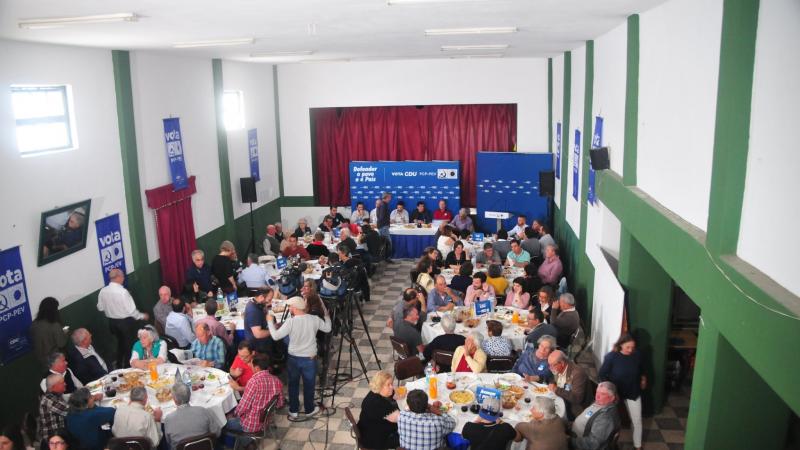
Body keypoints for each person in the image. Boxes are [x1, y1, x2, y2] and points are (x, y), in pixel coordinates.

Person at [268, 296, 331, 418]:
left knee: (293, 385)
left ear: (295, 308)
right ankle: (309, 410)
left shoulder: (290, 322)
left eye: (290, 306)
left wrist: (270, 322)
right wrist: (327, 316)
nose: (289, 308)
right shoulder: (314, 319)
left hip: (293, 359)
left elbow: (275, 336)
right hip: (309, 359)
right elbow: (328, 329)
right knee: (309, 385)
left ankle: (294, 410)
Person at [598, 334, 646, 450]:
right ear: (621, 345)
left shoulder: (637, 355)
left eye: (632, 347)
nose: (630, 350)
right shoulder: (611, 357)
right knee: (611, 421)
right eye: (628, 347)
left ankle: (638, 446)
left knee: (637, 420)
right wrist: (609, 390)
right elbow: (602, 374)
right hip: (616, 393)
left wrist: (644, 378)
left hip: (633, 391)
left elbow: (641, 368)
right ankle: (610, 444)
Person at [97, 268, 148, 369]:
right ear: (118, 277)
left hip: (112, 323)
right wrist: (142, 316)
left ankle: (119, 365)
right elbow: (132, 311)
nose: (124, 278)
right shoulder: (123, 292)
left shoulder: (103, 291)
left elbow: (100, 307)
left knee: (120, 343)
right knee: (130, 345)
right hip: (125, 324)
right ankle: (129, 367)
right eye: (123, 276)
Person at [224, 354, 285, 433]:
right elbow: (280, 404)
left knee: (223, 422)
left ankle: (240, 439)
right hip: (266, 421)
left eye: (251, 364)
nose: (249, 365)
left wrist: (233, 415)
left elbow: (243, 407)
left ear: (257, 368)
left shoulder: (253, 382)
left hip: (251, 425)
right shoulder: (276, 380)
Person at [163, 383, 222, 450]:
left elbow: (169, 442)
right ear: (190, 395)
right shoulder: (203, 411)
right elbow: (217, 433)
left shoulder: (168, 420)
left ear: (174, 400)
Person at [570, 382, 621, 450]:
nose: (597, 396)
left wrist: (570, 441)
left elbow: (593, 443)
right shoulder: (599, 403)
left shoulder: (606, 417)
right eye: (597, 392)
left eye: (602, 394)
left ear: (612, 398)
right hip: (574, 434)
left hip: (579, 444)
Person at [358, 371, 401, 449]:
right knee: (408, 436)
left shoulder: (375, 392)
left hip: (368, 430)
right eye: (388, 385)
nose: (392, 387)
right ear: (380, 386)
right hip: (375, 440)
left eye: (391, 383)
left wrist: (396, 393)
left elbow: (395, 392)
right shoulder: (378, 404)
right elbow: (400, 419)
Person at [547, 350, 587, 420]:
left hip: (573, 407)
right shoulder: (557, 368)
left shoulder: (577, 374)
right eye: (549, 365)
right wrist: (552, 383)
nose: (550, 368)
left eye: (552, 365)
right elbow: (554, 378)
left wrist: (556, 389)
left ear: (562, 363)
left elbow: (577, 398)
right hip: (561, 397)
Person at [30, 297, 68, 368]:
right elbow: (61, 344)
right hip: (56, 361)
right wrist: (65, 331)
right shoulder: (54, 325)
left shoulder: (34, 324)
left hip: (42, 362)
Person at [244, 288, 280, 359]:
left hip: (263, 344)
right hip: (259, 348)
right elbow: (258, 334)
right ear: (261, 297)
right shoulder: (253, 311)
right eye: (269, 299)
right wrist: (273, 329)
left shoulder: (257, 303)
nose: (270, 302)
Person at [37, 374, 69, 444]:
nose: (65, 384)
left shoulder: (54, 395)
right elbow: (71, 412)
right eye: (62, 383)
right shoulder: (50, 400)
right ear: (54, 386)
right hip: (53, 439)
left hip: (60, 431)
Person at [376, 192, 394, 262]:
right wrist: (386, 222)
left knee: (383, 243)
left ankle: (383, 257)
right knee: (388, 242)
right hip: (383, 226)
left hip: (382, 226)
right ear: (387, 197)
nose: (390, 199)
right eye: (390, 197)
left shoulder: (381, 204)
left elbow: (379, 216)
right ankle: (387, 258)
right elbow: (381, 217)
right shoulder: (383, 205)